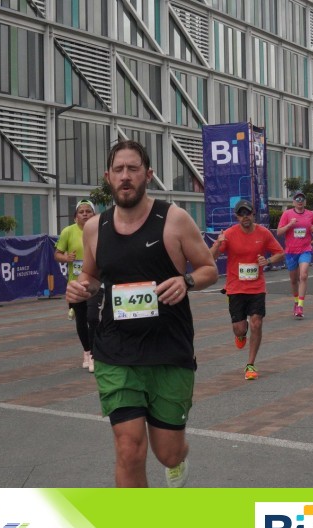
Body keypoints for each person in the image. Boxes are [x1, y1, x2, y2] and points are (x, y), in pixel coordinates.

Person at [65, 140, 218, 488]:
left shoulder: (174, 219)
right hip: (116, 350)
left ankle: (178, 459)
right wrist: (81, 287)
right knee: (129, 448)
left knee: (168, 452)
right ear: (108, 177)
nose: (125, 176)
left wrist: (186, 281)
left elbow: (209, 269)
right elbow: (91, 275)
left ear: (148, 175)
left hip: (169, 350)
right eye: (118, 169)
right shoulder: (95, 228)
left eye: (133, 169)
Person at [210, 200, 285, 380]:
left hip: (257, 287)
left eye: (248, 213)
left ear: (253, 215)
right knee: (239, 328)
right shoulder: (229, 234)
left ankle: (250, 364)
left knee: (256, 323)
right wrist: (217, 244)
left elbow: (280, 253)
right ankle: (241, 335)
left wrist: (268, 261)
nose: (245, 217)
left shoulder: (263, 233)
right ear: (237, 217)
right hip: (235, 287)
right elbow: (210, 257)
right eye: (241, 214)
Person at [55, 200, 103, 372]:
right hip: (76, 283)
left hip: (95, 282)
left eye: (88, 211)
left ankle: (94, 355)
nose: (85, 214)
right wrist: (66, 258)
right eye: (81, 212)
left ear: (94, 215)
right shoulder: (68, 231)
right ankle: (87, 351)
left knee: (93, 317)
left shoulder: (100, 230)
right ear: (75, 216)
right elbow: (57, 254)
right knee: (81, 319)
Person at [277, 191, 313, 318]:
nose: (300, 201)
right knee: (294, 280)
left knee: (303, 275)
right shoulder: (287, 214)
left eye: (302, 199)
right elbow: (279, 232)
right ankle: (295, 302)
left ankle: (300, 306)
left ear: (305, 202)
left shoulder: (311, 214)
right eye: (297, 199)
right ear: (293, 202)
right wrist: (290, 224)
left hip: (305, 249)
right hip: (291, 251)